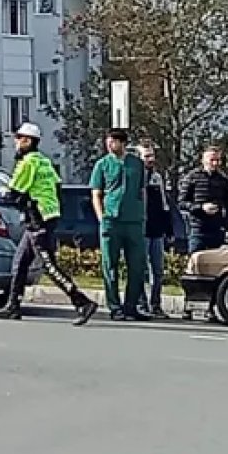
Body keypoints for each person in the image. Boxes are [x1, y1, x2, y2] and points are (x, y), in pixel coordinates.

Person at [0, 122, 99, 325]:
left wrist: (2, 192)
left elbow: (13, 193)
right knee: (20, 263)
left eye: (20, 138)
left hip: (37, 219)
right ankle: (13, 305)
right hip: (47, 216)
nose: (16, 142)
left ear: (29, 141)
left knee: (49, 266)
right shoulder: (44, 161)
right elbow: (57, 187)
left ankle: (82, 302)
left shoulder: (28, 162)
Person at [89, 128, 150, 321]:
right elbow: (96, 193)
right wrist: (102, 217)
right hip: (111, 221)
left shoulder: (137, 164)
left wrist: (143, 214)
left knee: (137, 265)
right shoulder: (102, 164)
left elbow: (143, 191)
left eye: (114, 141)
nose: (110, 144)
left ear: (123, 143)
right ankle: (114, 307)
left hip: (133, 221)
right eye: (108, 141)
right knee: (110, 265)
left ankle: (131, 306)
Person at [178, 145, 228, 320]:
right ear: (203, 160)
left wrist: (225, 225)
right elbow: (181, 202)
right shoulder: (193, 177)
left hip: (216, 231)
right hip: (197, 229)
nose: (215, 163)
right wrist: (200, 208)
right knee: (194, 269)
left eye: (218, 160)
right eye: (212, 159)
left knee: (214, 272)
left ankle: (210, 308)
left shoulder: (223, 180)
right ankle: (188, 306)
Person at [138, 145, 175, 319]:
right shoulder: (135, 177)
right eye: (146, 156)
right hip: (141, 230)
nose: (150, 160)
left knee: (158, 270)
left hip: (156, 231)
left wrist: (168, 229)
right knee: (141, 269)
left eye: (151, 156)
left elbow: (164, 204)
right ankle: (141, 303)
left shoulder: (157, 177)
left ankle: (155, 304)